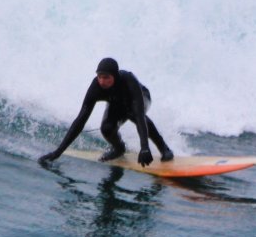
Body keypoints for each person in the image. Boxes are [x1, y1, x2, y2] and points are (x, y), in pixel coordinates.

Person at [38, 57, 174, 167]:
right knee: (107, 128)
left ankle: (164, 148)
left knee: (133, 113)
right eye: (99, 76)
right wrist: (58, 152)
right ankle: (119, 148)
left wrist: (144, 147)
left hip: (141, 98)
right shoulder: (96, 87)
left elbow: (139, 116)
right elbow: (80, 120)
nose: (102, 81)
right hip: (116, 102)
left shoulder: (128, 80)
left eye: (106, 77)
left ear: (114, 76)